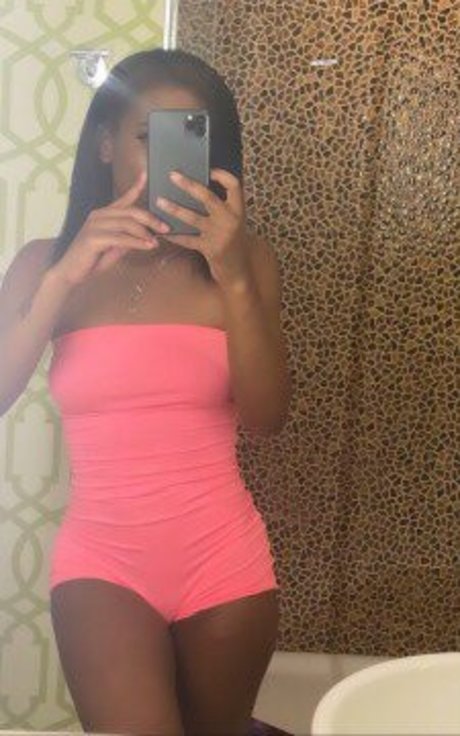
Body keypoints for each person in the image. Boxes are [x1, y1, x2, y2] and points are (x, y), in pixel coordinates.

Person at [0, 48, 292, 735]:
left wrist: (233, 275)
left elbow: (267, 418)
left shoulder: (244, 261)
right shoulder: (44, 262)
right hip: (104, 561)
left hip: (225, 561)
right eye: (146, 137)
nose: (169, 165)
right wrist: (64, 278)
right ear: (104, 143)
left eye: (189, 142)